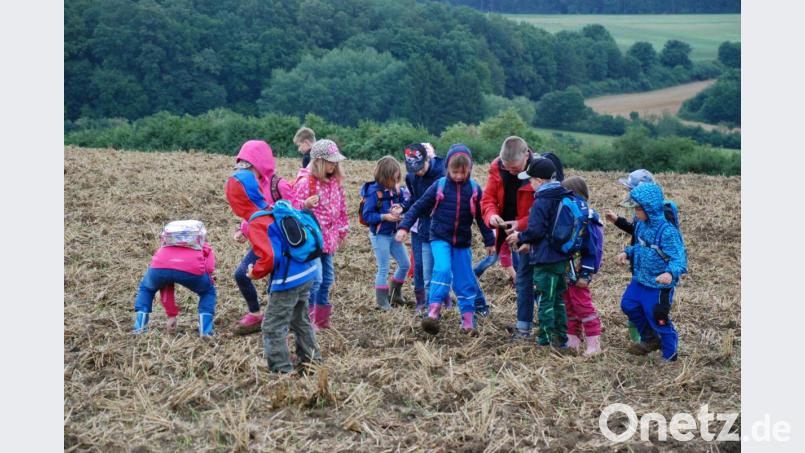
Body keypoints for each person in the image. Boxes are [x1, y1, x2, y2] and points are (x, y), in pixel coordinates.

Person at [396, 144, 495, 335]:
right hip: (440, 237)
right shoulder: (440, 185)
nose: (458, 176)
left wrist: (489, 240)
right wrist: (403, 227)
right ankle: (433, 312)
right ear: (447, 167)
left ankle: (468, 320)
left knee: (464, 278)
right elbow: (417, 206)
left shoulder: (474, 189)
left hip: (462, 241)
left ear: (470, 169)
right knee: (441, 269)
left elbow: (481, 218)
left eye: (463, 172)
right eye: (454, 171)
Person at [225, 140, 293, 335]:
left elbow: (290, 213)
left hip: (281, 242)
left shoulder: (278, 185)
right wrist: (243, 230)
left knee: (276, 285)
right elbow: (251, 212)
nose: (244, 167)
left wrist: (258, 270)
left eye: (248, 163)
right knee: (240, 274)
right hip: (261, 238)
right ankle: (255, 314)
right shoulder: (245, 180)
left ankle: (279, 323)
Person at [245, 204, 322, 374]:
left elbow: (271, 256)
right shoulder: (273, 212)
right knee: (300, 319)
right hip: (307, 271)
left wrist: (254, 273)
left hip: (289, 280)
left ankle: (281, 370)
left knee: (272, 326)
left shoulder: (257, 222)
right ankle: (312, 361)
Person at [604, 169, 679, 345]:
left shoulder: (662, 213)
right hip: (640, 264)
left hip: (656, 270)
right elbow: (638, 232)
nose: (628, 192)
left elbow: (658, 240)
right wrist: (618, 221)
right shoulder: (641, 209)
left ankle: (653, 338)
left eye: (631, 188)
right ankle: (645, 340)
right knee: (633, 303)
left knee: (651, 306)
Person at [616, 183, 687, 361]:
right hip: (640, 279)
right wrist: (627, 252)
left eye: (637, 209)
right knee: (628, 304)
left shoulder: (667, 232)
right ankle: (650, 339)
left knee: (657, 315)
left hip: (658, 284)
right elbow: (639, 246)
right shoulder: (641, 225)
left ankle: (669, 353)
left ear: (649, 208)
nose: (635, 213)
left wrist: (670, 273)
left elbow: (679, 259)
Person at [506, 157, 573, 348]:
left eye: (531, 179)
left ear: (541, 181)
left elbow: (536, 230)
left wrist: (521, 237)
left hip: (545, 258)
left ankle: (544, 339)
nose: (529, 183)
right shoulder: (564, 195)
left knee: (545, 297)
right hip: (562, 256)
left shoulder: (542, 201)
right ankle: (561, 337)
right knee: (558, 298)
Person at [481, 136, 541, 340]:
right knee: (523, 280)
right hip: (511, 234)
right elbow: (487, 199)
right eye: (508, 168)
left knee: (542, 280)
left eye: (515, 168)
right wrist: (491, 216)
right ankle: (523, 329)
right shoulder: (497, 168)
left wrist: (522, 225)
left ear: (527, 155)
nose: (511, 172)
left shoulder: (541, 170)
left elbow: (545, 210)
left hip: (536, 234)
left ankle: (550, 325)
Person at [292, 139, 349, 330]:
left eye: (335, 162)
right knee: (315, 280)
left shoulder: (335, 182)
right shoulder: (304, 183)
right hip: (312, 240)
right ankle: (306, 321)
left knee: (327, 280)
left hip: (329, 239)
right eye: (330, 161)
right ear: (318, 161)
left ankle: (322, 321)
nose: (334, 165)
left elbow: (342, 208)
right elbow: (292, 211)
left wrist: (342, 231)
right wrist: (305, 205)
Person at [133, 220, 216, 336]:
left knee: (146, 289)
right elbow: (210, 267)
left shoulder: (164, 249)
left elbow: (166, 285)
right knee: (208, 291)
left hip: (159, 267)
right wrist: (207, 276)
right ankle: (206, 331)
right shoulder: (203, 246)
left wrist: (171, 315)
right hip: (192, 268)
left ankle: (139, 328)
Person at [560, 176, 604, 356]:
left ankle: (594, 342)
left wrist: (585, 274)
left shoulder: (587, 220)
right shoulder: (570, 217)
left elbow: (591, 250)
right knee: (569, 304)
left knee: (582, 305)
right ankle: (573, 338)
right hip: (568, 270)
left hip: (580, 271)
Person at [361, 156, 411, 310]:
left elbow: (407, 203)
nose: (397, 182)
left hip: (393, 233)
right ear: (385, 177)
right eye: (394, 178)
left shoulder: (396, 189)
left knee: (405, 264)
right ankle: (382, 302)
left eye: (398, 178)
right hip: (380, 235)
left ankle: (395, 294)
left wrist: (400, 208)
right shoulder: (374, 193)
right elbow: (367, 216)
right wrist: (385, 217)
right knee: (383, 267)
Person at [403, 143, 445, 314]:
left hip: (439, 225)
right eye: (413, 169)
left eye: (420, 167)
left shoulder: (440, 174)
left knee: (437, 267)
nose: (418, 172)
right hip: (420, 224)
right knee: (419, 266)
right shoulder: (411, 177)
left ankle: (437, 300)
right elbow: (414, 199)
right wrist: (403, 207)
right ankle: (421, 302)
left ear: (428, 159)